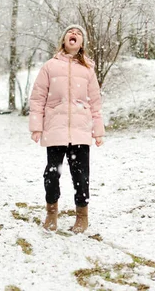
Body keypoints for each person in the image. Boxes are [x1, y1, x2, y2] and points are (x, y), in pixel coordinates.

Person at [29, 25, 105, 233]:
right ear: (64, 40)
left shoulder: (88, 70)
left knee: (81, 176)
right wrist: (36, 126)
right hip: (55, 129)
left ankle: (82, 216)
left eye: (79, 34)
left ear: (82, 44)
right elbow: (37, 98)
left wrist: (98, 131)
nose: (75, 35)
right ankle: (51, 212)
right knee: (52, 174)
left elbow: (95, 103)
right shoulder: (50, 67)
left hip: (80, 130)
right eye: (71, 33)